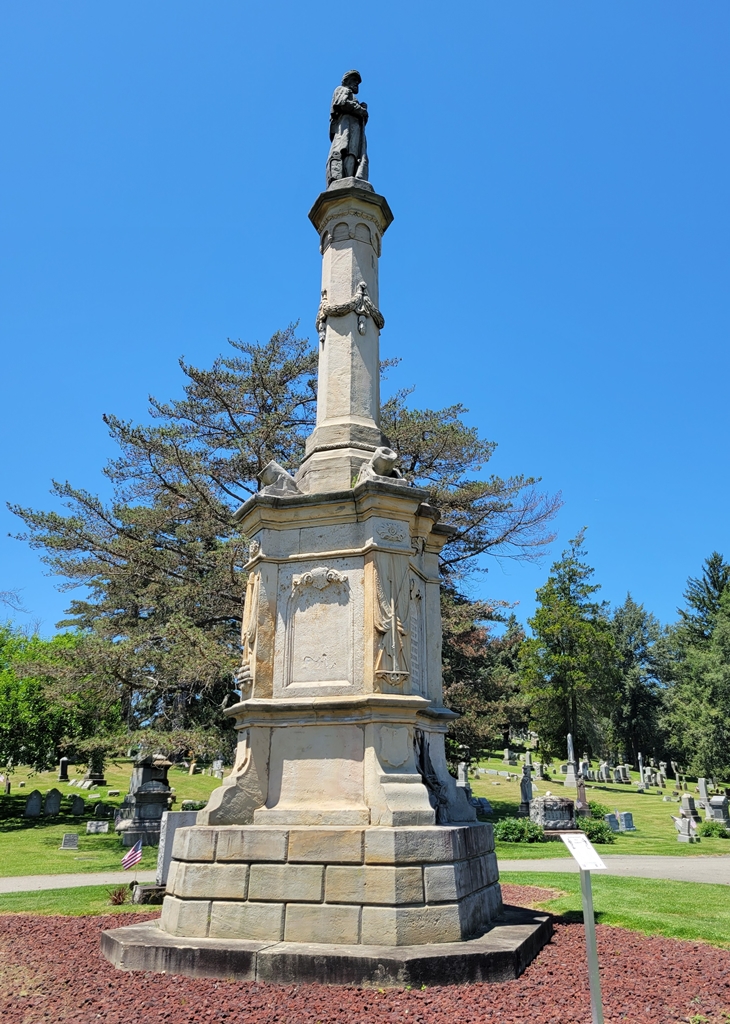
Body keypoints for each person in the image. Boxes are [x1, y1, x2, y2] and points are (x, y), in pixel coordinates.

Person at [326, 70, 369, 185]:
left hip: (353, 127)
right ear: (347, 81)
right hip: (345, 127)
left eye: (357, 82)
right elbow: (341, 103)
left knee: (353, 153)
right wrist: (360, 110)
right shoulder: (343, 90)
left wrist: (362, 111)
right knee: (346, 150)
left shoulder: (351, 95)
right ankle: (344, 177)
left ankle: (350, 175)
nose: (356, 84)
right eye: (354, 80)